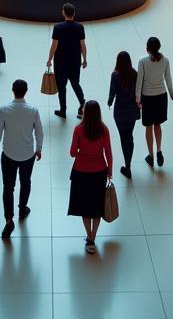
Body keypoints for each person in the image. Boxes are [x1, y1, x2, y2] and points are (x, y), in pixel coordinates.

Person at [0, 78, 43, 238]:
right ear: (26, 91)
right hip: (28, 155)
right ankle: (22, 208)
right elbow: (39, 132)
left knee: (8, 187)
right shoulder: (33, 110)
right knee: (25, 182)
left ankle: (9, 219)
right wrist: (38, 149)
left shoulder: (4, 110)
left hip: (9, 154)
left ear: (12, 90)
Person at [67, 100, 112, 254]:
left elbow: (72, 152)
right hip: (100, 171)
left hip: (81, 171)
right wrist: (110, 171)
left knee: (85, 206)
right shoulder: (104, 130)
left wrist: (81, 151)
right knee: (96, 206)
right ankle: (93, 236)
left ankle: (89, 236)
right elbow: (109, 153)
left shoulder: (79, 129)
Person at [136, 36, 173, 166]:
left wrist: (137, 97)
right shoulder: (165, 61)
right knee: (158, 125)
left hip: (147, 97)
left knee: (148, 126)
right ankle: (159, 150)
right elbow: (168, 78)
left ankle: (150, 155)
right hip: (161, 96)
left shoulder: (142, 62)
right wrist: (171, 93)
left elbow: (139, 81)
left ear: (147, 49)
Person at [48, 2, 87, 118]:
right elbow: (83, 45)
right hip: (75, 62)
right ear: (74, 14)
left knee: (61, 87)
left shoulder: (58, 27)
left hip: (60, 63)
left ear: (63, 13)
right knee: (75, 84)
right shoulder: (79, 27)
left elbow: (54, 45)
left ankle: (63, 110)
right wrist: (84, 59)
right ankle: (82, 104)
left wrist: (49, 59)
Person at [107, 51, 139, 178]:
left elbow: (112, 92)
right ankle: (128, 164)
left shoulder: (115, 75)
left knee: (123, 137)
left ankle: (127, 166)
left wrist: (109, 102)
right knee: (129, 136)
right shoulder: (134, 74)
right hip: (132, 110)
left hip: (120, 111)